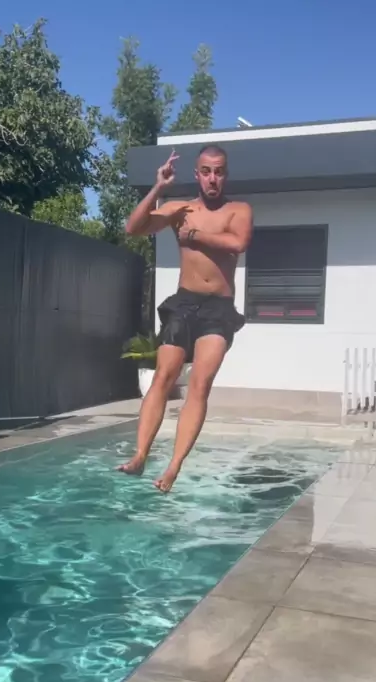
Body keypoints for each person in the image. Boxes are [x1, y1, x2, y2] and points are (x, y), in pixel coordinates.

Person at [119, 144, 253, 491]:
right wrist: (158, 188)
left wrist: (194, 235)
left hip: (218, 308)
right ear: (197, 174)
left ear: (225, 175)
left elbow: (238, 243)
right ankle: (140, 455)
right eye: (206, 171)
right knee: (164, 375)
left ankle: (174, 466)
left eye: (218, 172)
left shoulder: (238, 209)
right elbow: (134, 228)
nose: (212, 178)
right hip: (183, 303)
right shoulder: (180, 208)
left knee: (200, 384)